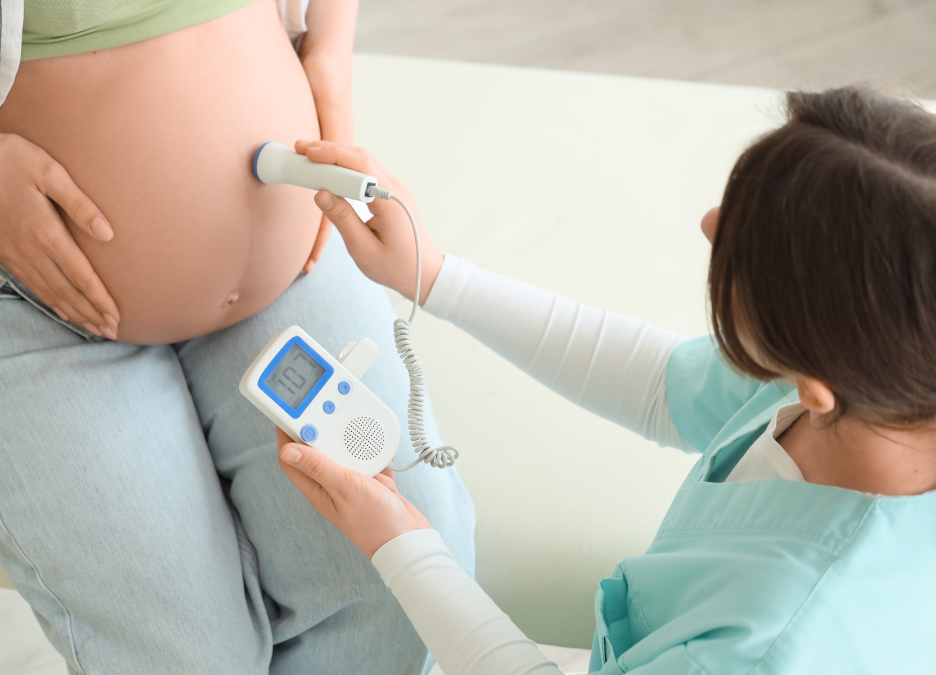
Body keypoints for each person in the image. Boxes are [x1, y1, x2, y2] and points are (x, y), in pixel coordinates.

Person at [0, 1, 473, 672]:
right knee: (185, 658)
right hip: (5, 284)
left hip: (295, 239)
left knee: (402, 581)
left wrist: (328, 56)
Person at [278, 86, 936, 674]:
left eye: (743, 245)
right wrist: (432, 276)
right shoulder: (883, 376)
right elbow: (661, 385)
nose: (710, 224)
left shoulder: (760, 646)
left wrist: (398, 543)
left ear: (818, 386)